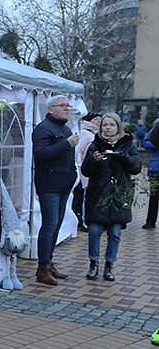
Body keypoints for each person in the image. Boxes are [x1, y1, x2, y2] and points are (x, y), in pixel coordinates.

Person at [80, 112, 141, 281]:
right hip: (98, 195)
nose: (108, 128)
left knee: (115, 233)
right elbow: (85, 170)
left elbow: (136, 168)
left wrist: (123, 156)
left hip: (118, 195)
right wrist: (93, 160)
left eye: (111, 125)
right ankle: (93, 264)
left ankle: (109, 265)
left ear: (118, 127)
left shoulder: (128, 144)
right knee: (94, 230)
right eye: (105, 125)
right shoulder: (95, 145)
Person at [31, 95, 78, 285]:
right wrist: (66, 144)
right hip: (49, 184)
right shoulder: (43, 129)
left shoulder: (64, 128)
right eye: (63, 105)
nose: (67, 108)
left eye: (68, 105)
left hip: (64, 184)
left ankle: (48, 263)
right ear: (51, 109)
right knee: (49, 225)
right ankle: (43, 267)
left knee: (56, 225)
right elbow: (41, 154)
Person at [73, 113, 101, 230]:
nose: (99, 121)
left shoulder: (96, 134)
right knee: (84, 196)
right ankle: (84, 221)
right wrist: (79, 166)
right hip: (84, 169)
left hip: (92, 169)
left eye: (100, 119)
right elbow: (79, 151)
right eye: (96, 119)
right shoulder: (85, 133)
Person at [143, 120, 159, 230]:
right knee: (154, 196)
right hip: (156, 168)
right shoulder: (156, 128)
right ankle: (150, 221)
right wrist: (155, 144)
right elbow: (145, 143)